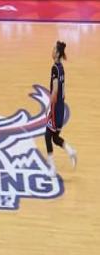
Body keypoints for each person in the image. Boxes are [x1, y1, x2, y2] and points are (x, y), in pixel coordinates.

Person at [45, 42, 77, 177]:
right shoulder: (61, 67)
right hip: (61, 107)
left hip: (55, 107)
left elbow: (55, 90)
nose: (52, 51)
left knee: (47, 136)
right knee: (55, 137)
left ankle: (52, 169)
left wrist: (48, 106)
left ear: (57, 53)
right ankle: (70, 151)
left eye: (54, 49)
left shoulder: (54, 68)